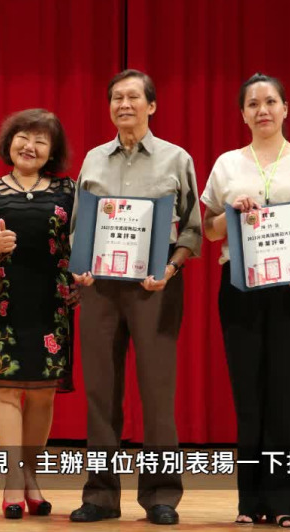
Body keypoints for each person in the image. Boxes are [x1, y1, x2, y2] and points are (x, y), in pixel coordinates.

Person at [199, 73, 290, 529]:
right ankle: (251, 500)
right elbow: (209, 231)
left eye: (271, 101)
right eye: (253, 104)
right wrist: (230, 212)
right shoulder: (227, 163)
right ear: (242, 114)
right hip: (240, 286)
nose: (262, 110)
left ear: (285, 109)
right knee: (249, 394)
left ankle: (288, 502)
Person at [68, 69, 201, 526]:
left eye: (133, 97)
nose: (124, 104)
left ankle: (162, 495)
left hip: (155, 287)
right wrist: (80, 263)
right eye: (116, 98)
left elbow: (191, 227)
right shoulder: (93, 160)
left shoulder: (176, 159)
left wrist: (171, 267)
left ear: (152, 105)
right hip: (99, 289)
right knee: (100, 393)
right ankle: (100, 496)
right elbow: (78, 227)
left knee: (157, 393)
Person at [0, 109, 76, 519]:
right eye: (23, 137)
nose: (30, 146)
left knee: (43, 393)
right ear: (9, 143)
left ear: (52, 151)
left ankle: (31, 479)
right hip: (1, 306)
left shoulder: (68, 191)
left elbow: (83, 241)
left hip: (51, 304)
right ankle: (13, 480)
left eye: (41, 141)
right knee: (6, 390)